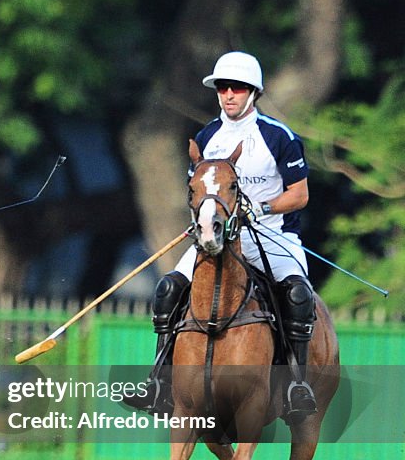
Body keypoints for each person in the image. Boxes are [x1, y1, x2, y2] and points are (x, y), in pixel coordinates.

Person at [126, 51, 318, 420]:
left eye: (238, 88)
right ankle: (158, 383)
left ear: (254, 93)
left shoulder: (279, 137)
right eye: (223, 87)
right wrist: (201, 218)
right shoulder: (206, 136)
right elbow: (196, 189)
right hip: (215, 240)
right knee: (168, 289)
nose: (229, 94)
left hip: (272, 236)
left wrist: (259, 209)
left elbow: (300, 194)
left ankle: (297, 384)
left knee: (297, 294)